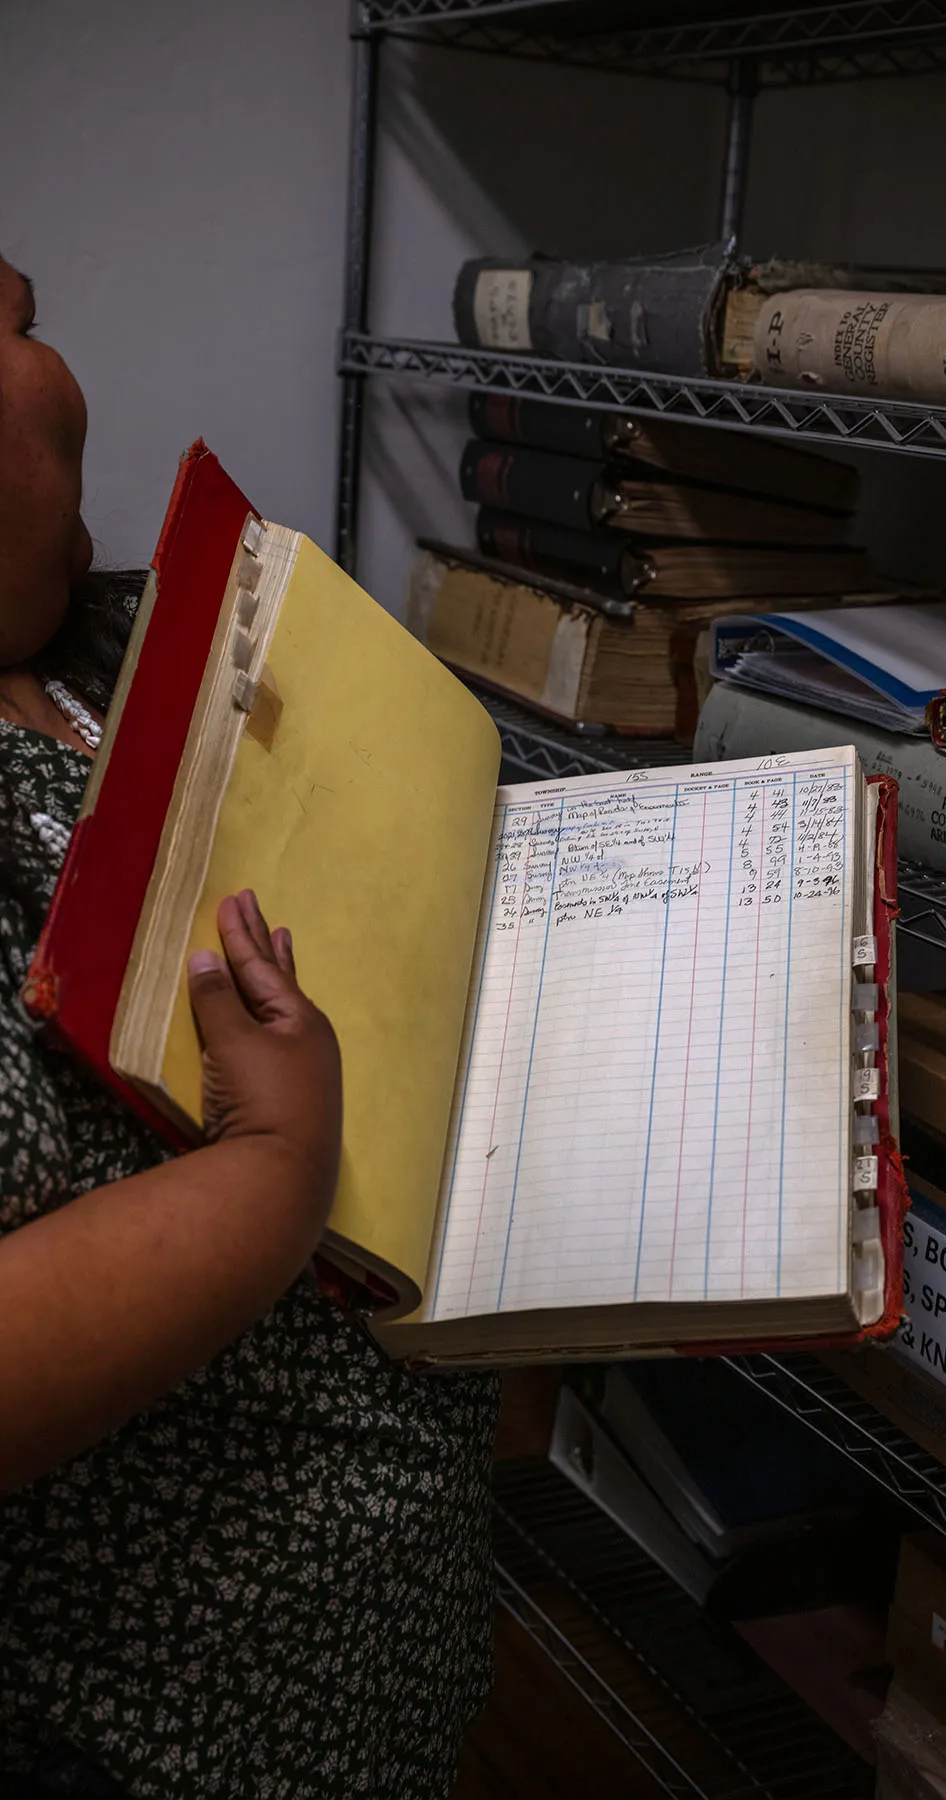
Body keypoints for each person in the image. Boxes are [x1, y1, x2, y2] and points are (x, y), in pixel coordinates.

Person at [0, 255, 497, 1798]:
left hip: (374, 1644)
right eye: (7, 326)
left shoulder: (97, 632)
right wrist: (274, 1162)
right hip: (157, 1729)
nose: (36, 304)